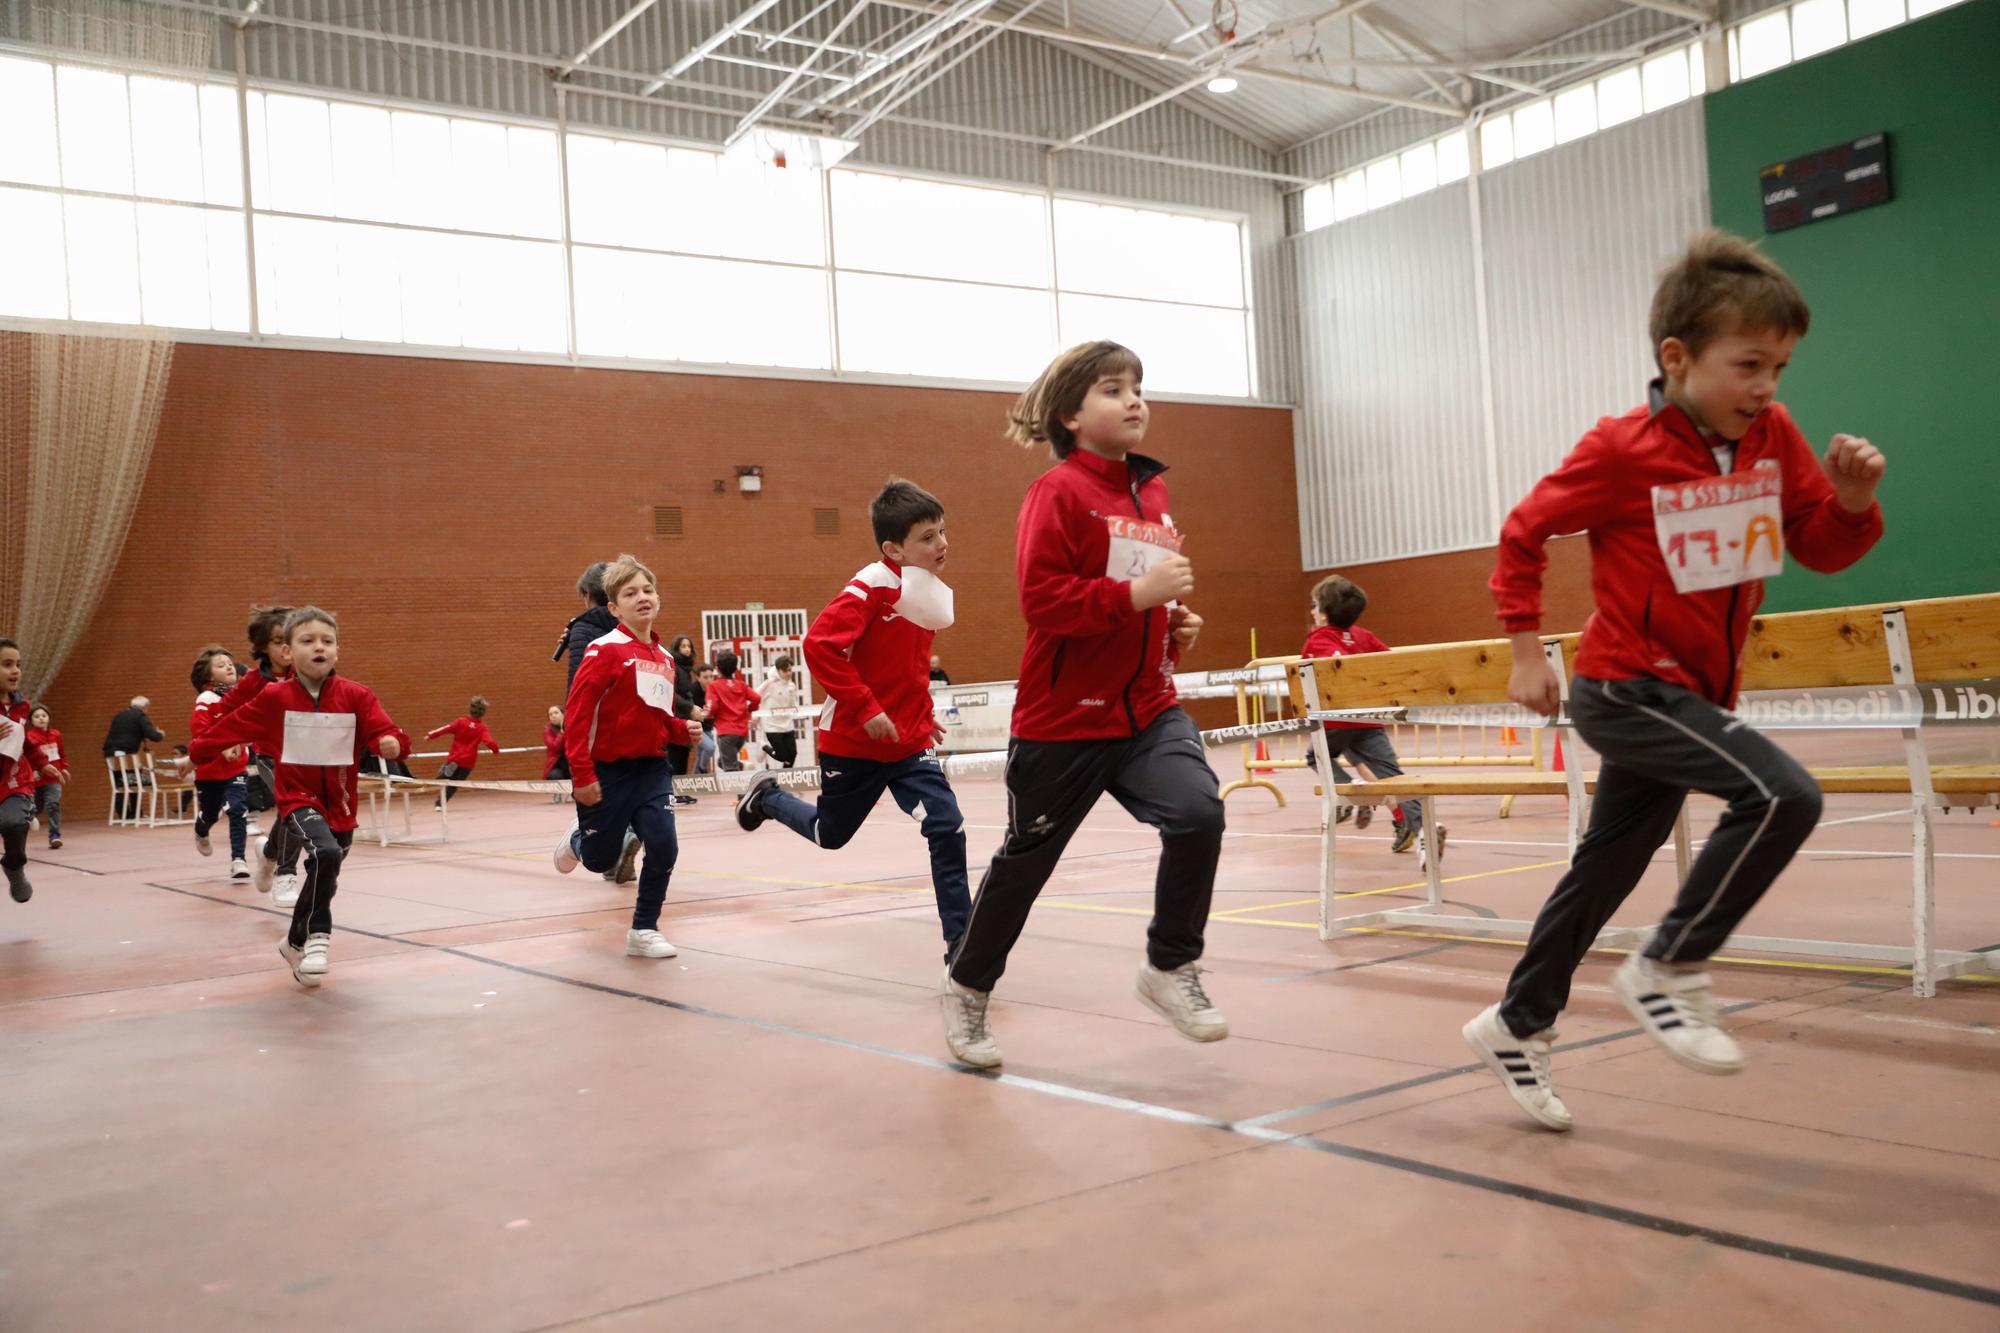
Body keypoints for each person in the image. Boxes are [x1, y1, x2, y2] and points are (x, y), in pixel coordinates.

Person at [1461, 231, 1885, 1132]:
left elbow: (1816, 540)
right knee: (1783, 796)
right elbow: (1523, 532)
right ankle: (1669, 966)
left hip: (1694, 697)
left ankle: (1515, 1022)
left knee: (1604, 867)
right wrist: (1526, 649)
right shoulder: (1621, 450)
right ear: (1677, 358)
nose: (1767, 385)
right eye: (1748, 364)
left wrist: (1850, 502)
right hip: (1625, 687)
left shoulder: (1772, 435)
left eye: (1780, 366)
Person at [940, 341, 1225, 1069]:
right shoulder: (1056, 494)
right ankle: (969, 987)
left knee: (1198, 813)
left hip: (1147, 710)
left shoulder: (1151, 493)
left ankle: (1169, 965)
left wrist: (1171, 625)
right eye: (1111, 389)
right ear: (1070, 413)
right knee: (1023, 866)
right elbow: (1042, 601)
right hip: (1065, 719)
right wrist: (1137, 597)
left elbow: (1142, 593)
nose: (1133, 400)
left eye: (1138, 387)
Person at [735, 482, 971, 962]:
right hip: (853, 744)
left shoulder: (924, 591)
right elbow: (818, 647)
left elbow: (905, 667)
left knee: (946, 826)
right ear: (893, 548)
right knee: (830, 835)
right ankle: (769, 797)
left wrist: (920, 714)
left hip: (908, 746)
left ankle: (961, 944)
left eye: (943, 532)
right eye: (928, 537)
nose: (942, 544)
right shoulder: (870, 587)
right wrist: (868, 709)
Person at [189, 607, 408, 988]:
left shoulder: (357, 696)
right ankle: (318, 937)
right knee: (325, 854)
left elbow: (385, 730)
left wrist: (391, 744)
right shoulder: (275, 696)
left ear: (338, 650)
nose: (318, 647)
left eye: (327, 641)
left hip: (341, 803)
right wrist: (193, 754)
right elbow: (231, 726)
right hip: (296, 796)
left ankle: (293, 942)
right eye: (307, 641)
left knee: (328, 866)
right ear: (290, 651)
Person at [551, 554, 697, 960]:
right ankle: (579, 840)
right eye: (630, 593)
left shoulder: (664, 658)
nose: (642, 598)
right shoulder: (603, 651)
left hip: (651, 769)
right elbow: (577, 719)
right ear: (614, 607)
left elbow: (660, 715)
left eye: (648, 590)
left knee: (664, 846)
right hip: (605, 772)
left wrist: (681, 730)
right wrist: (582, 776)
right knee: (601, 861)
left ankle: (644, 930)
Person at [1300, 575, 1441, 863]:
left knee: (1316, 757)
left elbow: (1334, 663)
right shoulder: (1364, 635)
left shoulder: (1320, 639)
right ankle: (1425, 830)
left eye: (1314, 605)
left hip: (1338, 721)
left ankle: (1353, 793)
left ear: (1324, 613)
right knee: (1393, 776)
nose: (1312, 611)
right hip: (1369, 719)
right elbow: (1387, 660)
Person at [214, 605, 306, 907]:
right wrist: (229, 741)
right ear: (263, 647)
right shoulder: (253, 682)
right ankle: (285, 874)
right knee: (295, 809)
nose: (286, 647)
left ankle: (268, 855)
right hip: (270, 756)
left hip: (306, 755)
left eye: (292, 638)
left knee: (293, 812)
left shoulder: (308, 673)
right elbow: (224, 712)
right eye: (279, 640)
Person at [3, 640, 65, 903]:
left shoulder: (21, 705)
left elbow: (24, 739)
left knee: (13, 822)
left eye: (17, 664)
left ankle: (14, 866)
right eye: (7, 665)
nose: (15, 670)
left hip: (14, 781)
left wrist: (41, 762)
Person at [189, 645, 254, 879]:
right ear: (208, 675)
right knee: (211, 814)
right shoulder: (206, 699)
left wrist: (244, 742)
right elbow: (200, 732)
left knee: (237, 809)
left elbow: (250, 726)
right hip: (209, 772)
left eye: (229, 663)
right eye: (220, 665)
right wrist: (222, 747)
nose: (228, 666)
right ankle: (201, 827)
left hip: (235, 769)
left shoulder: (241, 698)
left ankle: (239, 860)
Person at [426, 696, 501, 808]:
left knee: (445, 779)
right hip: (468, 762)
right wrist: (495, 750)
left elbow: (445, 728)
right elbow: (489, 741)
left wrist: (431, 735)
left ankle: (443, 774)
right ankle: (439, 804)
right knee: (454, 785)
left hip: (455, 757)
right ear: (483, 712)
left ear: (470, 709)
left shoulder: (461, 722)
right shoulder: (482, 727)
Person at [101, 695, 165, 821]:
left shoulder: (119, 715)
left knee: (120, 785)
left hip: (110, 753)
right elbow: (153, 736)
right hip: (127, 754)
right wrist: (160, 734)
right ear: (145, 707)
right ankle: (135, 813)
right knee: (136, 781)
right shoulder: (140, 716)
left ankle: (124, 815)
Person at [554, 562, 617, 692]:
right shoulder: (633, 624)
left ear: (588, 594)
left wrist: (579, 639)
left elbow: (578, 682)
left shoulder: (583, 628)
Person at [703, 653, 761, 772]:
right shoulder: (741, 685)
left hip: (726, 732)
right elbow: (756, 698)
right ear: (735, 669)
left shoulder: (714, 686)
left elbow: (712, 707)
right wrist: (749, 710)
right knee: (723, 761)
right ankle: (741, 766)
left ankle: (743, 788)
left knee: (730, 770)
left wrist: (704, 714)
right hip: (742, 732)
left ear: (717, 668)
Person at [26, 705, 68, 850]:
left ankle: (55, 835)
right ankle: (19, 832)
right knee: (35, 808)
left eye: (43, 715)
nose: (41, 718)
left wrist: (63, 768)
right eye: (36, 716)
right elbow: (28, 758)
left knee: (53, 804)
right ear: (31, 720)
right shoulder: (30, 737)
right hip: (37, 779)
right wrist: (33, 771)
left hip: (53, 778)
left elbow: (61, 753)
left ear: (49, 717)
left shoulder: (56, 734)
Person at [665, 634, 700, 805]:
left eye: (689, 646)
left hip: (686, 716)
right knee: (675, 757)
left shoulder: (687, 669)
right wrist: (690, 707)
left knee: (684, 755)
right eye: (683, 646)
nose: (687, 649)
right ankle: (671, 793)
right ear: (676, 649)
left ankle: (681, 791)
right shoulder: (674, 667)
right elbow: (672, 694)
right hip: (676, 717)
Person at [754, 654, 802, 769]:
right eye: (786, 671)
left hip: (787, 724)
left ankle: (784, 779)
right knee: (782, 755)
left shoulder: (792, 685)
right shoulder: (769, 684)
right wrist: (755, 716)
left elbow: (794, 704)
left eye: (790, 670)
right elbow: (754, 697)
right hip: (772, 726)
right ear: (778, 670)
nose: (789, 673)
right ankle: (764, 747)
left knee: (792, 754)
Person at [692, 664, 719, 775]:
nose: (709, 680)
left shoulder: (713, 689)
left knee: (701, 754)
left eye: (711, 677)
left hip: (708, 727)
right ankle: (703, 769)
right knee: (710, 748)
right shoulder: (693, 690)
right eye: (705, 677)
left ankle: (695, 780)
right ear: (698, 678)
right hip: (695, 726)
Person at [543, 704, 569, 801]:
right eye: (550, 714)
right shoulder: (548, 730)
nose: (553, 716)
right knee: (554, 775)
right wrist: (562, 733)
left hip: (571, 764)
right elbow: (555, 747)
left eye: (556, 713)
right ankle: (557, 794)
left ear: (563, 714)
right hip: (557, 766)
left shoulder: (572, 727)